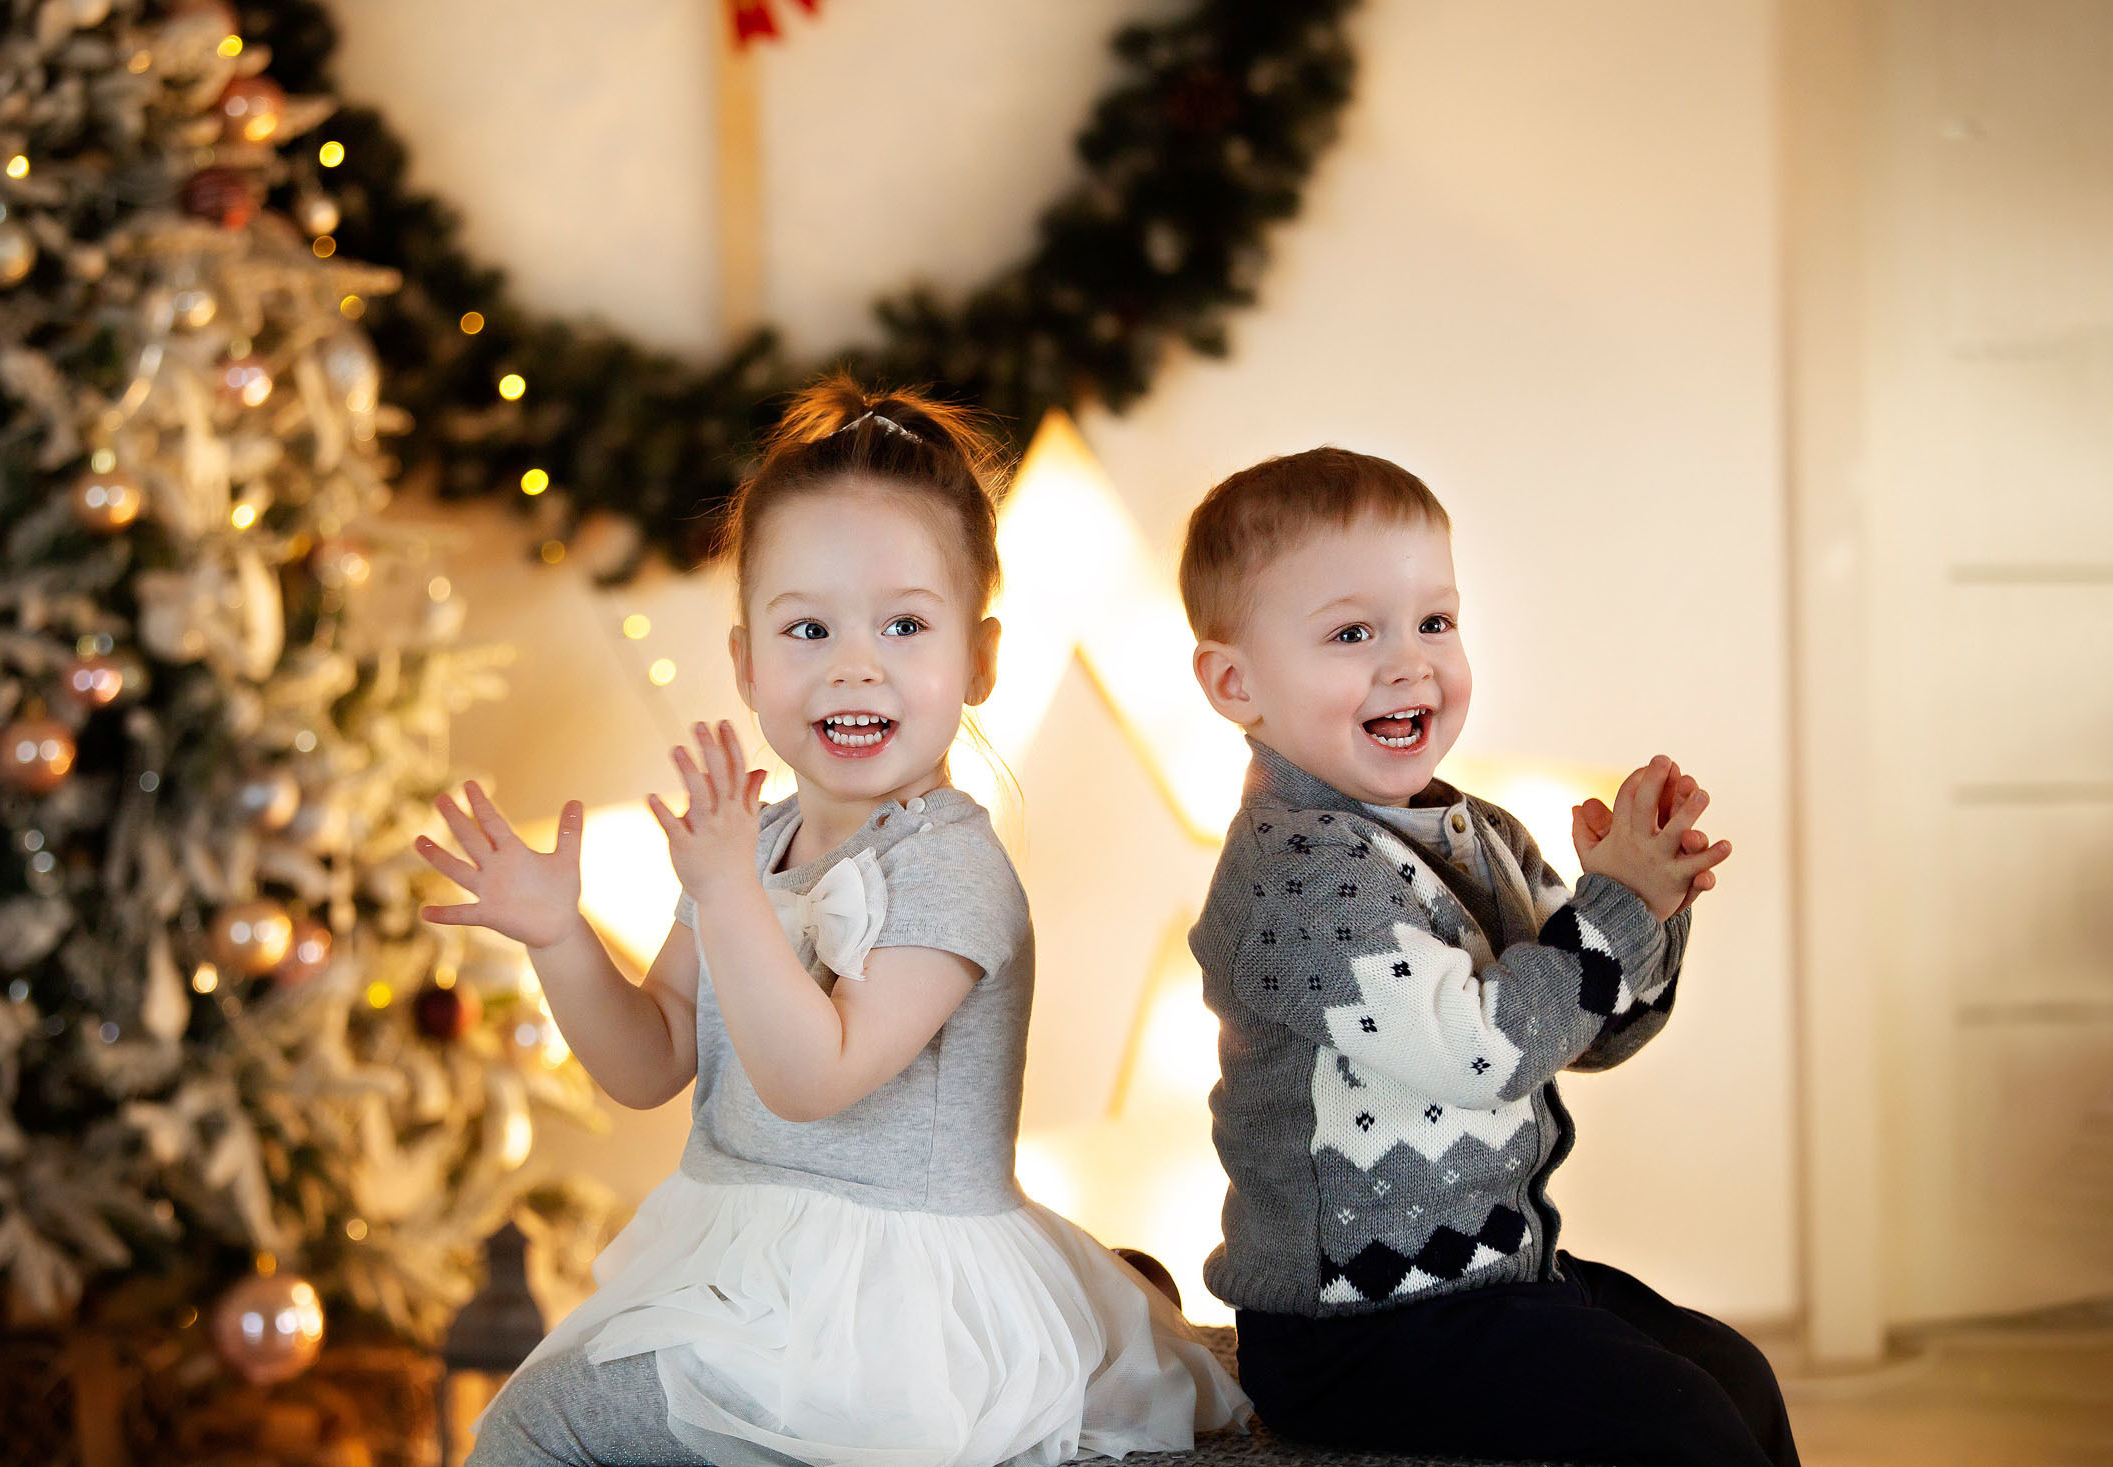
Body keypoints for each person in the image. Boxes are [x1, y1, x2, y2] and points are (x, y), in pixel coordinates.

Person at [417, 377, 1247, 1467]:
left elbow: (811, 1081)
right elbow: (649, 1060)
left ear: (981, 660)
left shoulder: (952, 867)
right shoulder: (747, 842)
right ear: (748, 665)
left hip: (882, 1309)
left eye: (905, 624)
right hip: (741, 1268)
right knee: (560, 1412)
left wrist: (722, 898)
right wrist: (561, 939)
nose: (856, 663)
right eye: (808, 627)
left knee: (539, 1427)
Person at [1177, 447, 1797, 1466]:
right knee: (1675, 1425)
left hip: (1490, 1279)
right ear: (1234, 681)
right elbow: (1488, 1051)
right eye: (1350, 632)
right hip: (1357, 1329)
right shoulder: (1296, 875)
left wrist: (1654, 899)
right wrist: (1615, 911)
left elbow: (1595, 1031)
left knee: (1730, 1372)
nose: (1408, 662)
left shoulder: (1479, 831)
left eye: (1435, 621)